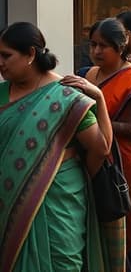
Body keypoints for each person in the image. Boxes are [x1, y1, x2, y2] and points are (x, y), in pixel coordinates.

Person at [0, 22, 114, 271]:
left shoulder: (66, 96)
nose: (1, 63)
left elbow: (101, 148)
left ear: (31, 54)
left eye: (6, 56)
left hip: (58, 200)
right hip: (6, 203)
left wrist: (100, 100)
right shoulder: (1, 93)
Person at [84, 18, 131, 267]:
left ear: (120, 48)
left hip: (121, 163)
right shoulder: (91, 74)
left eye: (103, 46)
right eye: (93, 45)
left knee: (123, 222)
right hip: (92, 158)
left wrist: (99, 120)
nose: (96, 51)